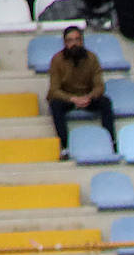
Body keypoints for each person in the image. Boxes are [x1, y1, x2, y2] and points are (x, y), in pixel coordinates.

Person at [47, 26, 116, 160]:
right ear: (65, 43)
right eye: (70, 40)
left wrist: (88, 97)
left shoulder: (92, 58)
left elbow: (99, 86)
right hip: (68, 99)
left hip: (87, 98)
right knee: (55, 105)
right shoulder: (57, 60)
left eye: (77, 40)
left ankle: (111, 142)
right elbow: (54, 90)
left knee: (105, 102)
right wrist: (72, 99)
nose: (74, 44)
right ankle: (65, 146)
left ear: (82, 41)